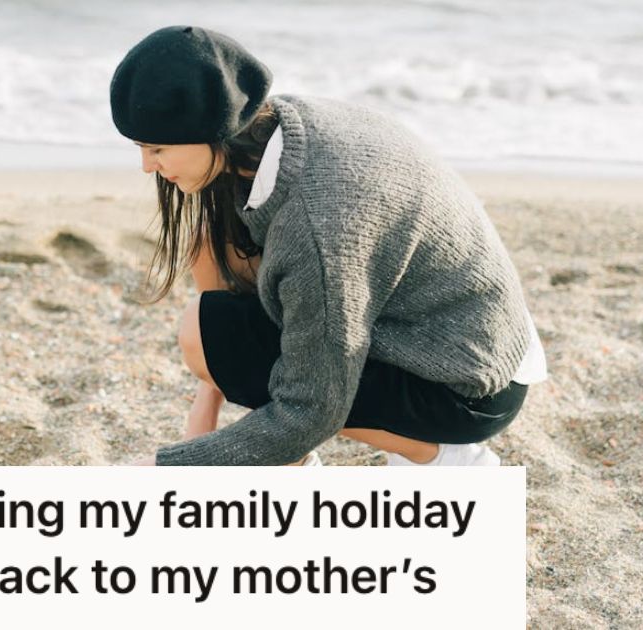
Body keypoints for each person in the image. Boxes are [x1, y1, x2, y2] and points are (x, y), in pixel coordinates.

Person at [109, 26, 546, 466]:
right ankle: (297, 464)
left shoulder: (318, 225)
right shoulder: (274, 128)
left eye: (158, 148)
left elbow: (312, 411)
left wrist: (169, 470)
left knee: (207, 339)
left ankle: (443, 456)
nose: (148, 166)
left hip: (470, 383)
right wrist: (208, 395)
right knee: (210, 313)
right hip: (453, 327)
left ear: (214, 129)